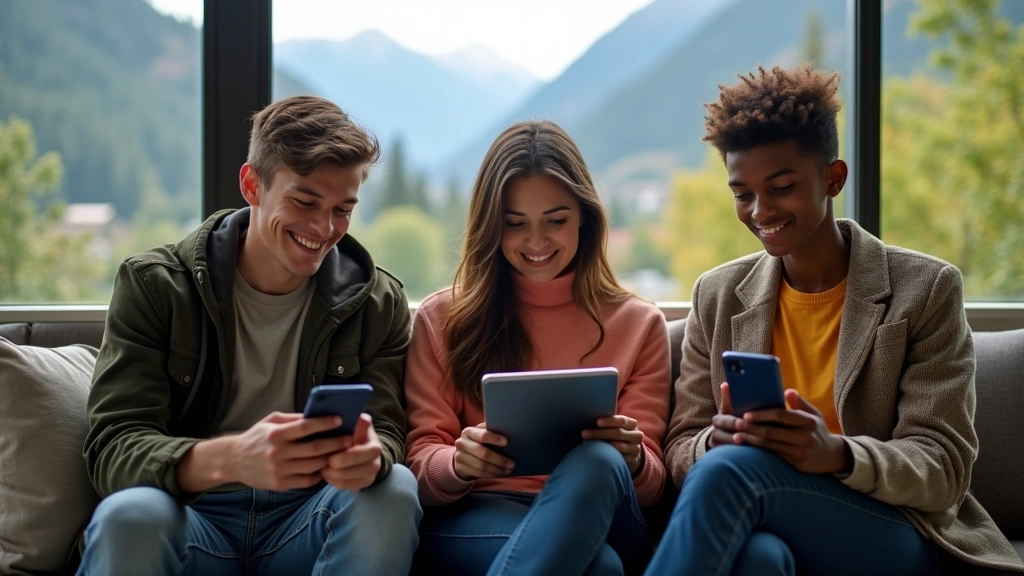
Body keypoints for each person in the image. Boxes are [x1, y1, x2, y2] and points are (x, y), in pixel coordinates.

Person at [645, 64, 1024, 575]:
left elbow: (943, 466)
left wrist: (837, 454)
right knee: (759, 558)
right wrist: (716, 440)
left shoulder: (926, 289)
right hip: (769, 516)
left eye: (780, 187)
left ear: (833, 177)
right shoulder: (718, 296)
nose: (760, 210)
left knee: (731, 472)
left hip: (895, 530)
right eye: (742, 193)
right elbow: (680, 446)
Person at [78, 95, 422, 575]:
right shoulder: (155, 286)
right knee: (128, 515)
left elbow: (388, 432)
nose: (323, 229)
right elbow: (113, 448)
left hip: (306, 523)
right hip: (192, 517)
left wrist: (373, 457)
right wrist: (232, 458)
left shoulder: (377, 301)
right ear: (251, 185)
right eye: (304, 201)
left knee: (395, 489)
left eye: (343, 209)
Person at [404, 120, 671, 575]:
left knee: (599, 460)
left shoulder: (639, 325)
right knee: (600, 569)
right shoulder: (443, 318)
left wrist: (634, 458)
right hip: (482, 511)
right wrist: (458, 463)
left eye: (556, 220)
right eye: (515, 224)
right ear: (491, 226)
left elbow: (651, 486)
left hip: (607, 509)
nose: (536, 242)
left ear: (584, 216)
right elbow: (421, 461)